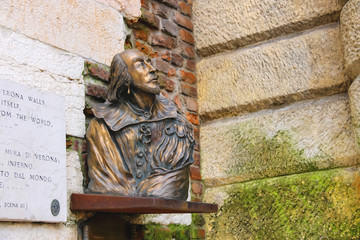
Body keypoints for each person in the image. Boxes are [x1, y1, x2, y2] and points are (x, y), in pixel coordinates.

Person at [86, 49, 194, 200]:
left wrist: (141, 189)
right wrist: (149, 186)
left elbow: (176, 186)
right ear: (126, 77)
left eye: (149, 63)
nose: (152, 69)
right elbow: (108, 185)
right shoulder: (102, 126)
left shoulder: (177, 123)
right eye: (141, 65)